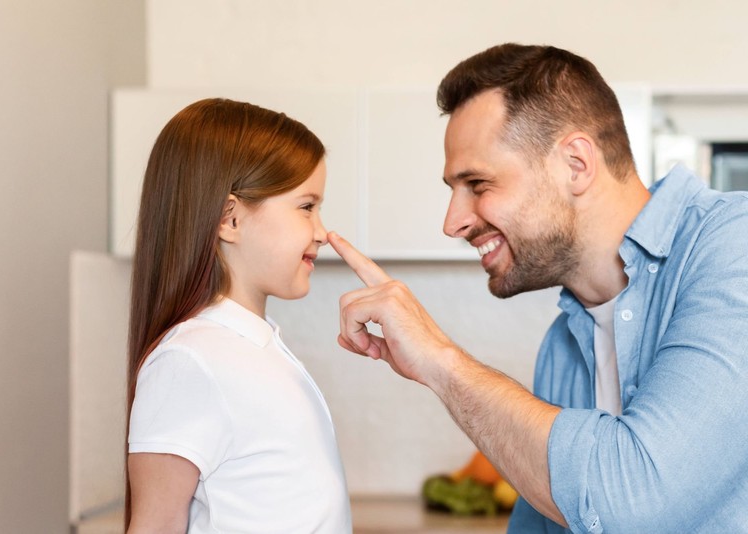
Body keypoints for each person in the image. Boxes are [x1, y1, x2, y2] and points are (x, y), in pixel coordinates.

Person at [328, 43, 748, 533]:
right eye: (452, 190)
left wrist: (439, 359)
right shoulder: (562, 346)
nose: (453, 222)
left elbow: (637, 499)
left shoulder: (731, 245)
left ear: (575, 164)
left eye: (478, 184)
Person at [125, 99, 352, 533]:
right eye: (307, 206)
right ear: (229, 218)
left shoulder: (256, 349)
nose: (322, 232)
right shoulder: (190, 361)